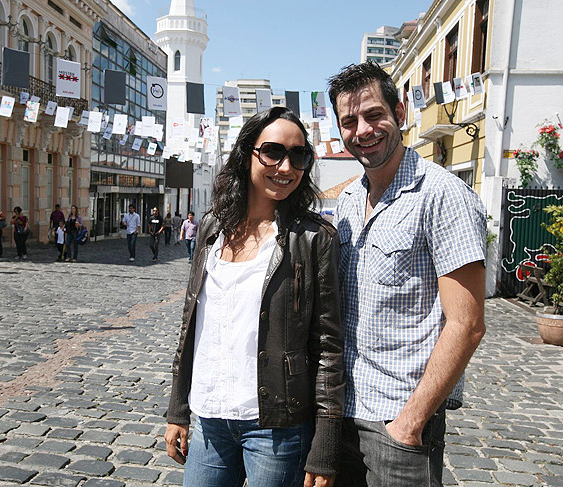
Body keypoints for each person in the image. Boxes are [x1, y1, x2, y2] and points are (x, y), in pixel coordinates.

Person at [164, 106, 344, 487]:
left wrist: (325, 444)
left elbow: (328, 346)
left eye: (299, 156)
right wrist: (178, 409)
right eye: (273, 152)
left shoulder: (314, 238)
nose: (285, 167)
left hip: (277, 429)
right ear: (248, 154)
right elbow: (192, 321)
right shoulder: (213, 226)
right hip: (211, 421)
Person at [328, 62, 486, 487]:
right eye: (349, 121)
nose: (363, 130)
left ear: (399, 113)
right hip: (339, 412)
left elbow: (467, 324)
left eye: (374, 114)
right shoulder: (347, 199)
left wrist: (411, 421)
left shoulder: (443, 195)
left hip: (396, 422)